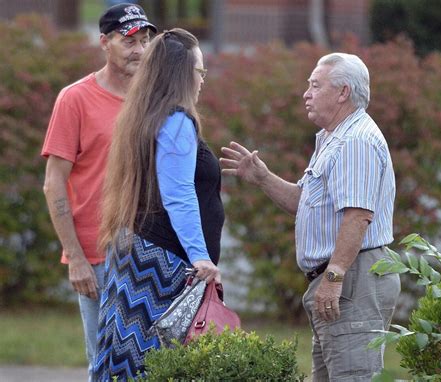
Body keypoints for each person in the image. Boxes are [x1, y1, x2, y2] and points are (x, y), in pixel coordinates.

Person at [220, 53, 401, 381]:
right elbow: (303, 202)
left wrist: (333, 279)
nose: (306, 93)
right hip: (343, 279)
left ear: (343, 92)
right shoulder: (333, 138)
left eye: (315, 86)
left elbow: (358, 215)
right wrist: (263, 177)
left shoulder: (355, 141)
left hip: (352, 280)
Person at [92, 28, 223, 381]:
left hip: (139, 256)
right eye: (199, 71)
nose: (202, 81)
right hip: (164, 266)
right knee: (154, 367)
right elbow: (178, 194)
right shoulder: (177, 121)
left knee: (125, 361)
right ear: (182, 75)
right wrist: (200, 256)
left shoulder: (144, 116)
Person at [41, 3, 156, 381]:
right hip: (98, 255)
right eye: (128, 41)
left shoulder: (155, 100)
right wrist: (74, 256)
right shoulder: (75, 98)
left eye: (144, 40)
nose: (139, 49)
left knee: (152, 364)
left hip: (152, 254)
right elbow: (54, 181)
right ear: (104, 42)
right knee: (105, 364)